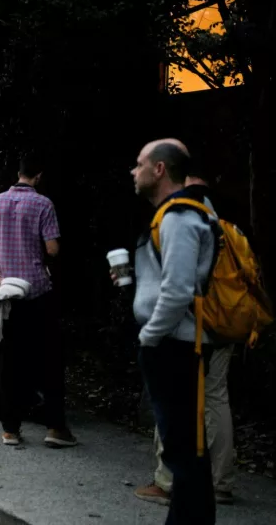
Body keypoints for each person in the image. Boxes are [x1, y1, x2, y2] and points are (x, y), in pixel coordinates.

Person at [128, 139, 218, 524]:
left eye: (139, 164)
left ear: (160, 169)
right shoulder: (173, 215)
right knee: (183, 453)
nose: (134, 171)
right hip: (173, 344)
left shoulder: (180, 218)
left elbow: (179, 290)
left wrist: (150, 337)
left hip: (175, 347)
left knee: (186, 455)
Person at [0, 155, 76, 448]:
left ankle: (10, 429)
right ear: (38, 176)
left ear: (18, 173)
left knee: (8, 362)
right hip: (37, 292)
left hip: (5, 292)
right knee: (49, 360)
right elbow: (52, 248)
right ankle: (55, 427)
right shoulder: (43, 204)